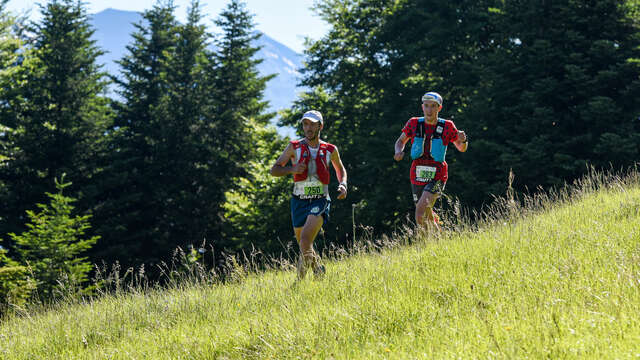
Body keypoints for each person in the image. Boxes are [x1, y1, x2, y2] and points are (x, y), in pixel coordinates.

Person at [270, 110, 348, 279]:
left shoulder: (330, 149)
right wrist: (292, 169)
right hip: (298, 201)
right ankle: (318, 269)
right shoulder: (294, 147)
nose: (309, 128)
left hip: (320, 200)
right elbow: (274, 170)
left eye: (313, 124)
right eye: (305, 124)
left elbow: (340, 169)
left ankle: (299, 283)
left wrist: (343, 184)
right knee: (304, 245)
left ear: (321, 126)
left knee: (305, 239)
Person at [393, 92, 468, 230]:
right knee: (426, 214)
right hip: (417, 175)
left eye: (433, 106)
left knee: (419, 213)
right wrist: (398, 151)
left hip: (438, 175)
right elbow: (400, 141)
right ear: (422, 107)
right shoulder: (414, 123)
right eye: (426, 106)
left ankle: (424, 244)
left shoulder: (448, 126)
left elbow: (461, 148)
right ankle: (439, 238)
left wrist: (464, 140)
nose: (429, 110)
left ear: (439, 108)